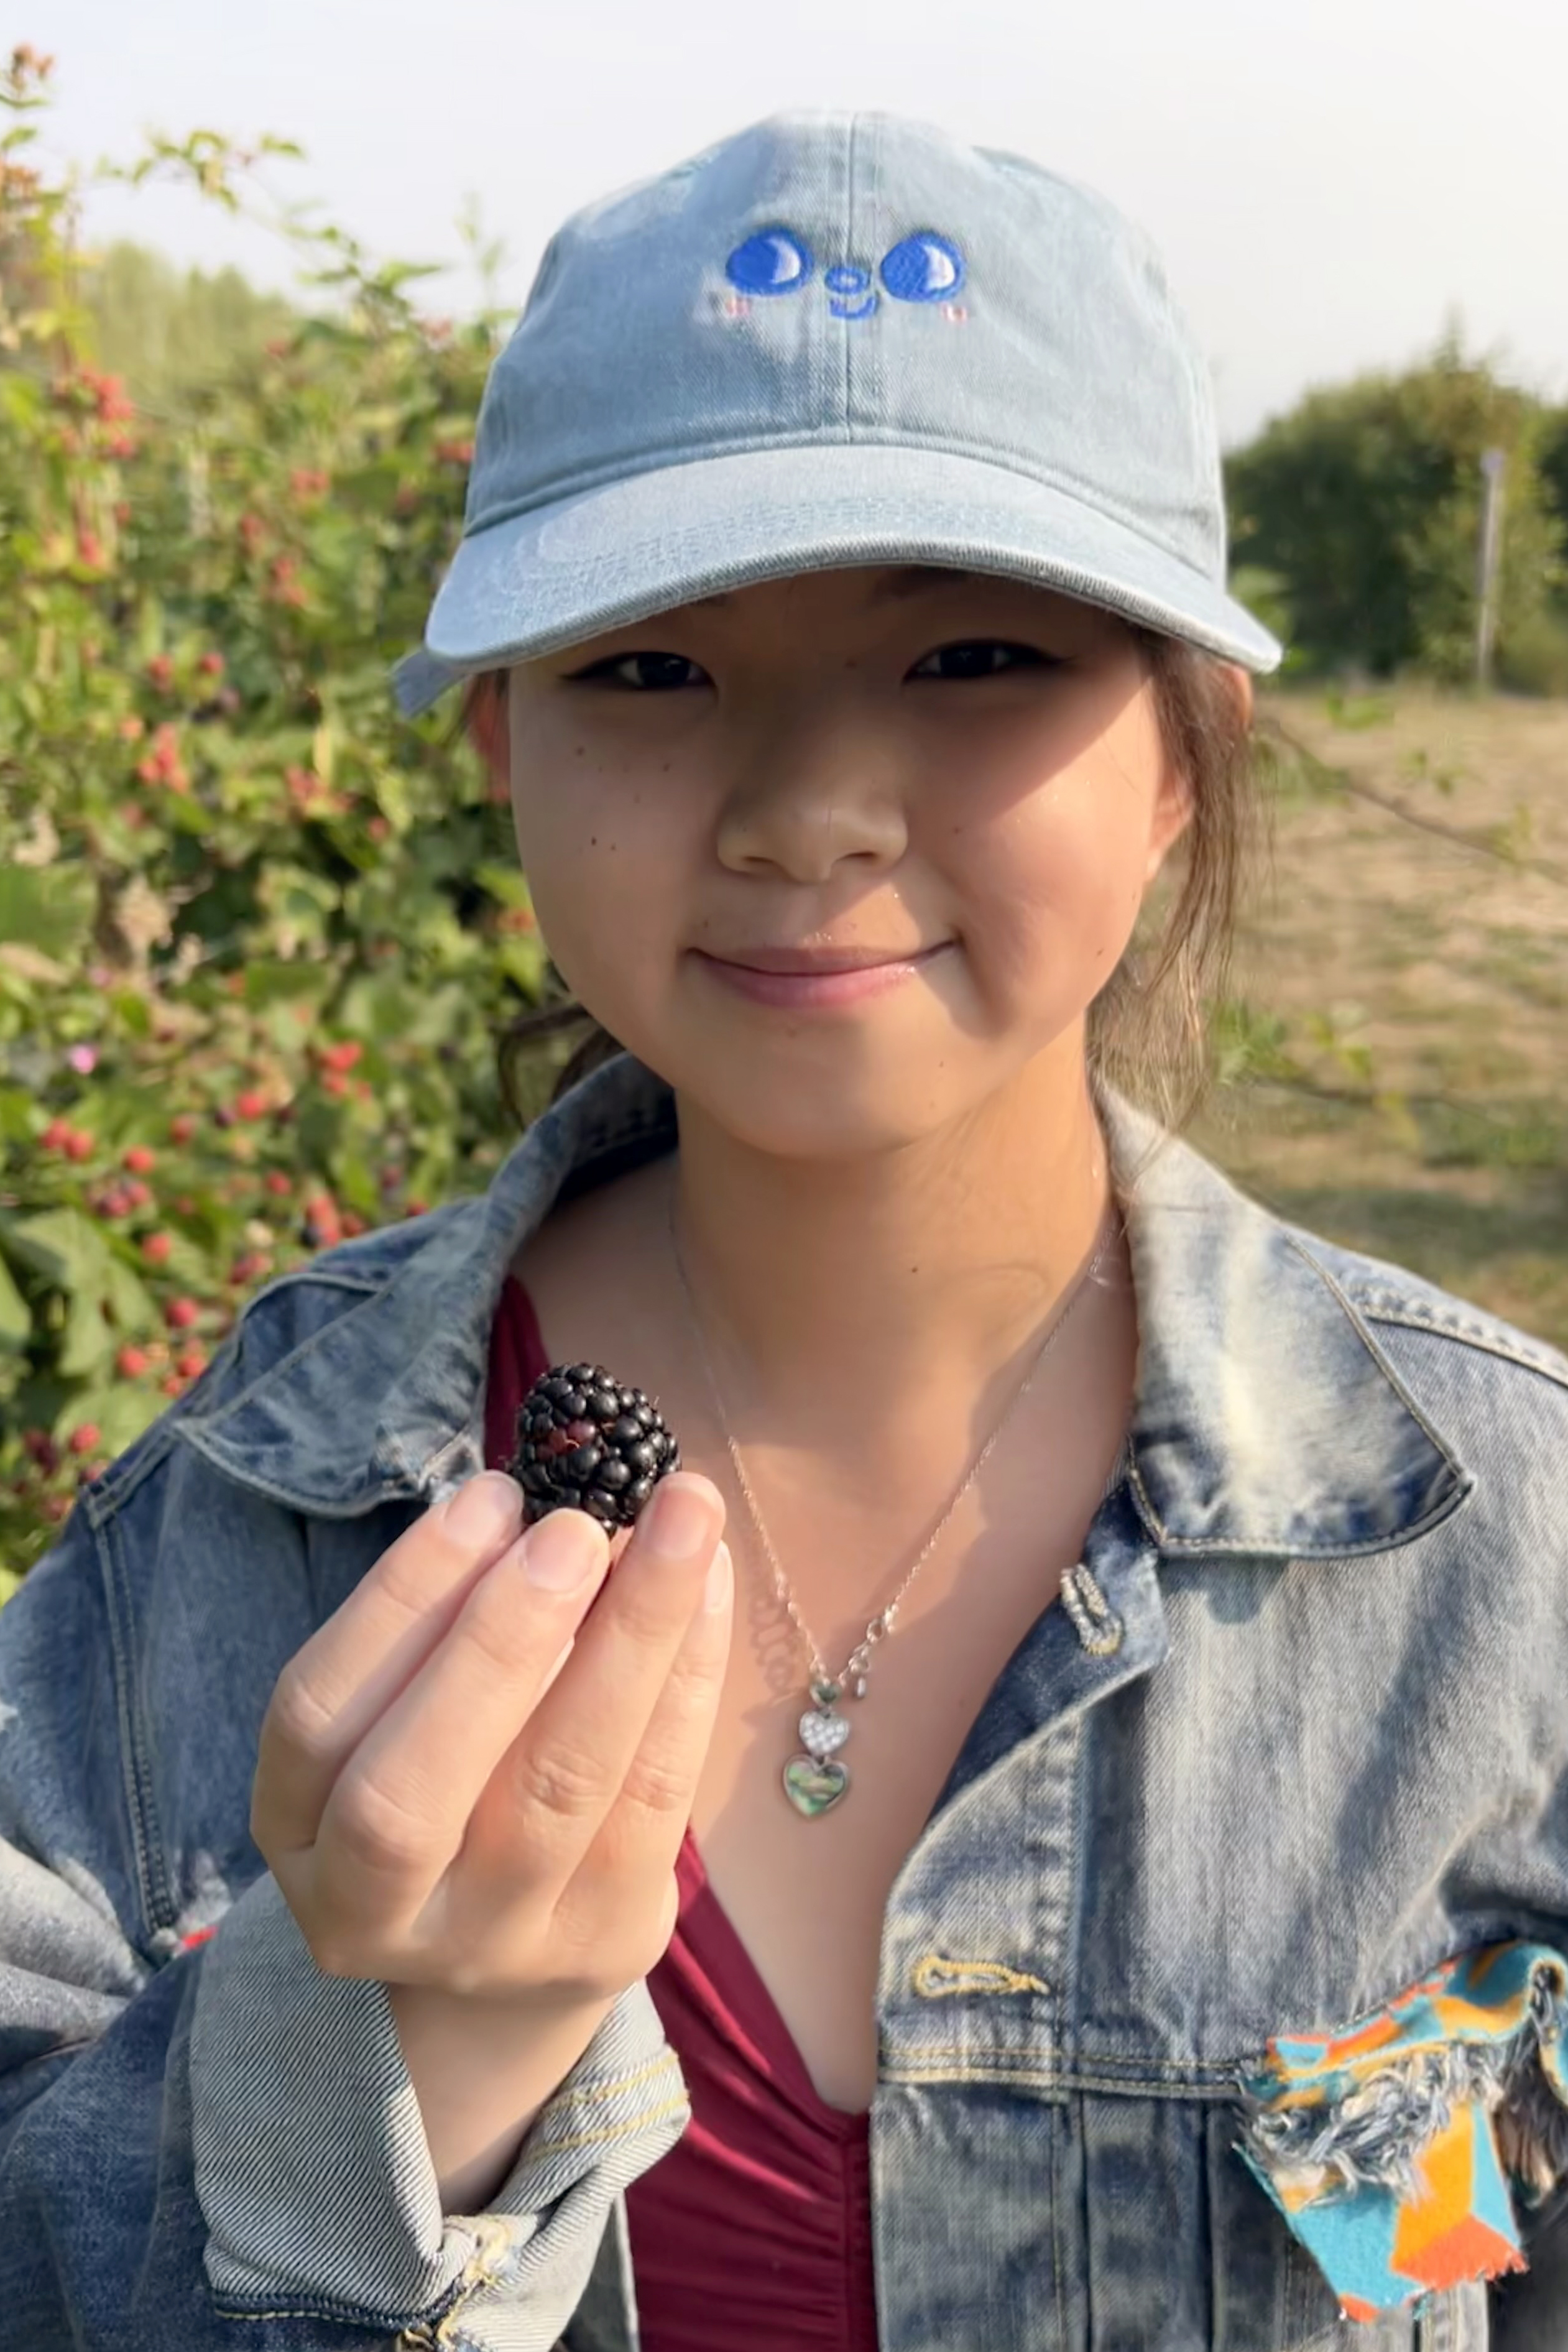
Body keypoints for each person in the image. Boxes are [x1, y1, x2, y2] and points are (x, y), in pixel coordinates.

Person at [2, 108, 1566, 2352]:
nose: (808, 810)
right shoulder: (221, 1531)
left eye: (972, 662)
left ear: (1186, 753)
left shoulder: (1503, 1566)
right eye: (649, 667)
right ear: (498, 753)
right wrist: (372, 2111)